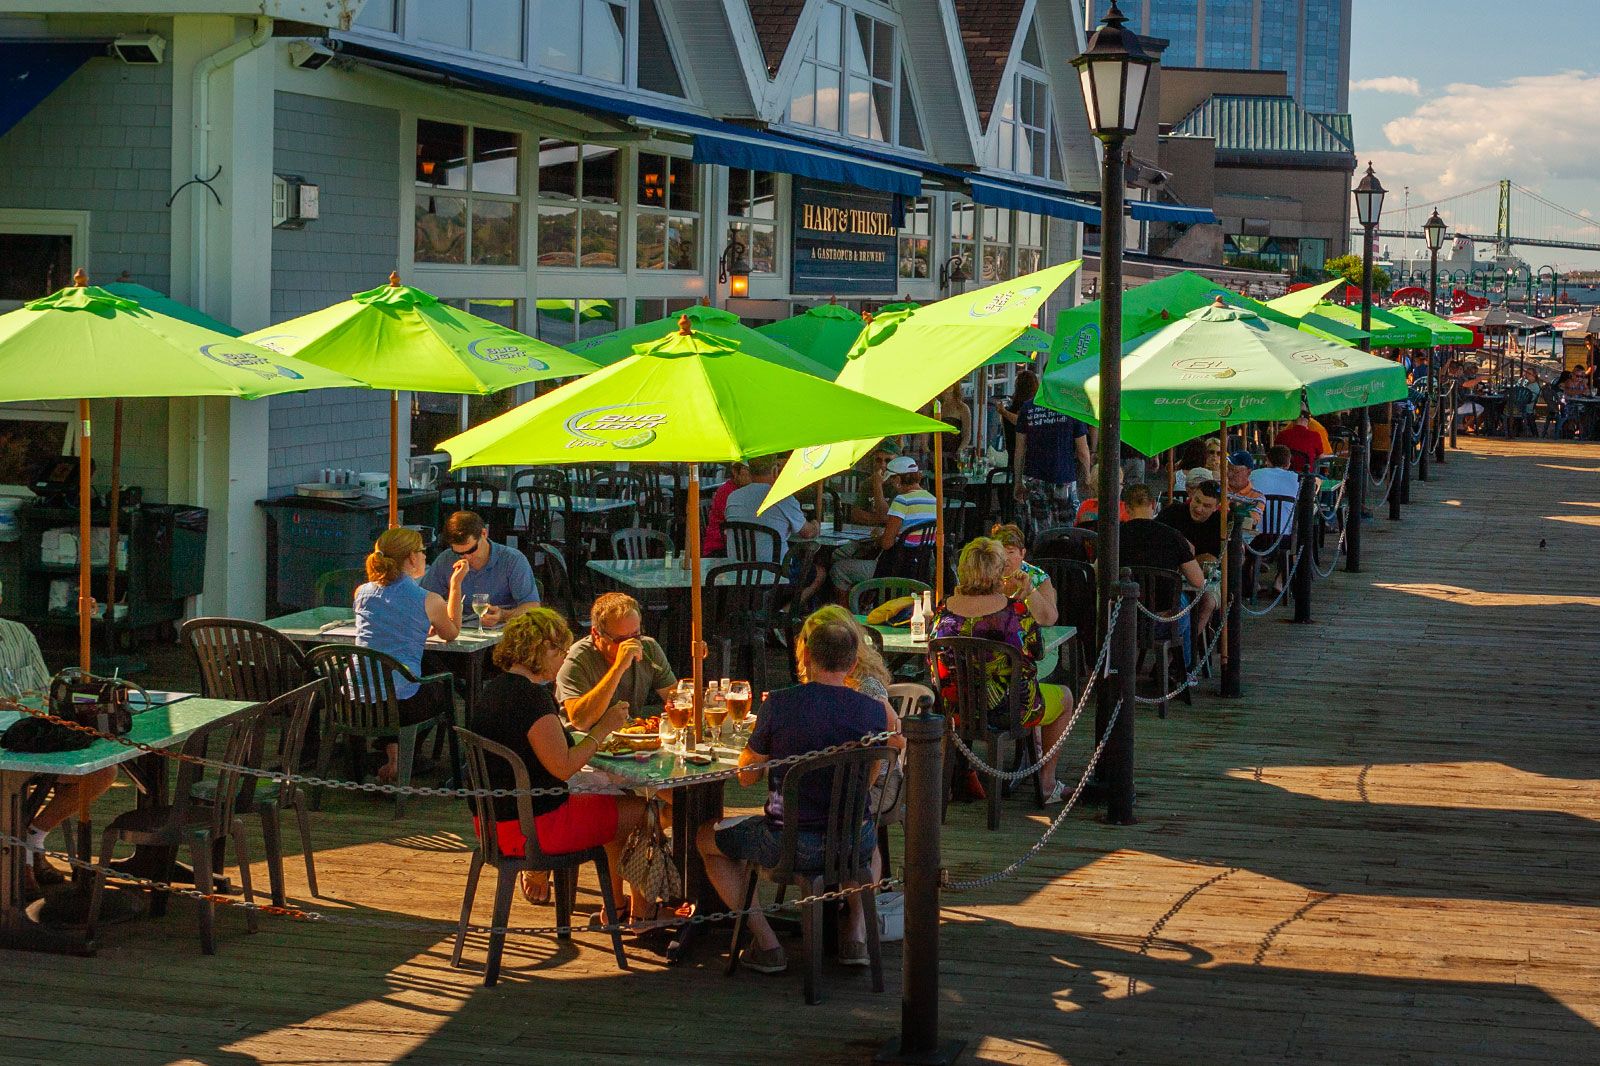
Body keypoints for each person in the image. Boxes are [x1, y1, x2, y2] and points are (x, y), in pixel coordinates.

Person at [697, 611, 902, 974]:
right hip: (854, 841)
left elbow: (746, 778)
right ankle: (854, 936)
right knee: (866, 841)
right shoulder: (873, 711)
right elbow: (874, 769)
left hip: (789, 844)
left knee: (705, 838)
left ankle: (767, 942)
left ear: (806, 656)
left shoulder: (779, 703)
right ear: (854, 662)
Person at [467, 609, 650, 919]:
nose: (564, 658)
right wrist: (602, 728)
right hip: (534, 829)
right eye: (560, 650)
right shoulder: (530, 700)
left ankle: (619, 907)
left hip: (490, 825)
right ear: (541, 649)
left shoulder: (492, 690)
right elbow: (564, 767)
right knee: (640, 812)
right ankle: (641, 914)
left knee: (614, 804)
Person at [931, 538, 1074, 803]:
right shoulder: (1015, 611)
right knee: (1065, 697)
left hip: (957, 707)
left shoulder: (943, 611)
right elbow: (1036, 651)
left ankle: (951, 781)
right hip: (1011, 709)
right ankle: (1046, 783)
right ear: (998, 571)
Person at [3, 581, 115, 897]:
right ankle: (22, 865)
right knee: (14, 787)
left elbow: (43, 688)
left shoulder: (18, 633)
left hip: (34, 733)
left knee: (101, 771)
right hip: (7, 746)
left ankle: (33, 836)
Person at [356, 527, 463, 784]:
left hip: (359, 701)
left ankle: (394, 758)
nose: (426, 557)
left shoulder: (361, 593)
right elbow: (451, 633)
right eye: (423, 552)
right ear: (412, 558)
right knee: (443, 683)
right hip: (402, 705)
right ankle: (411, 756)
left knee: (403, 676)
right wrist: (456, 586)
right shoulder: (428, 599)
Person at [556, 592, 675, 730]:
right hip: (583, 741)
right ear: (596, 634)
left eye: (636, 635)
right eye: (621, 640)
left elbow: (675, 698)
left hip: (627, 739)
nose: (631, 645)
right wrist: (618, 668)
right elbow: (580, 721)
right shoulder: (577, 659)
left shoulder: (649, 648)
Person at [1120, 482, 1212, 653]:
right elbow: (1198, 581)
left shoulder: (1115, 536)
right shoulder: (1172, 536)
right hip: (1163, 622)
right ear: (1154, 505)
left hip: (1121, 619)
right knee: (1183, 601)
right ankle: (1184, 670)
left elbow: (1097, 573)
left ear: (1126, 507)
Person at [831, 456, 937, 593]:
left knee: (839, 570)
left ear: (898, 480)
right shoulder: (934, 500)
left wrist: (879, 537)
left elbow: (887, 543)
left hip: (896, 568)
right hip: (921, 568)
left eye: (892, 479)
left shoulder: (902, 500)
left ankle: (849, 613)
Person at [421, 511, 539, 627]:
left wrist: (503, 615)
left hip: (503, 632)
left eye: (471, 550)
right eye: (458, 553)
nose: (466, 557)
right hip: (460, 629)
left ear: (484, 533)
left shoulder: (512, 559)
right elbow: (424, 599)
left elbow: (532, 606)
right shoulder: (446, 559)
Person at [722, 452, 819, 562]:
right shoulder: (781, 497)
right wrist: (816, 524)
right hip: (775, 572)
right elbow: (808, 533)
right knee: (820, 571)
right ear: (774, 470)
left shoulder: (733, 497)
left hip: (737, 570)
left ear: (749, 472)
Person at [1012, 392, 1091, 514]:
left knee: (1039, 528)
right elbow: (1082, 450)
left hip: (1035, 478)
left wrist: (1017, 481)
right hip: (1064, 477)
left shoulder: (1028, 407)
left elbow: (1020, 449)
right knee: (1066, 528)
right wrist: (1087, 476)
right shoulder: (1072, 407)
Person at [988, 523, 1059, 626]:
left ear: (1022, 553)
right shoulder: (986, 574)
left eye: (1010, 552)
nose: (1005, 558)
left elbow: (1048, 620)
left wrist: (1029, 588)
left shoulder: (1038, 577)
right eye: (999, 553)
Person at [1157, 478, 1222, 561]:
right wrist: (1179, 540)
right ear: (1192, 496)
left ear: (1216, 507)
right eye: (1197, 501)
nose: (1198, 509)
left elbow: (1213, 558)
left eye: (1206, 506)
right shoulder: (1172, 512)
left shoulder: (1220, 523)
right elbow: (1154, 535)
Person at [847, 441, 902, 527]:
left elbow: (886, 516)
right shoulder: (868, 483)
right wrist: (879, 519)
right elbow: (856, 514)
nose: (882, 465)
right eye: (878, 460)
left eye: (888, 461)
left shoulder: (901, 485)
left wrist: (877, 485)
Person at [703, 461, 751, 556]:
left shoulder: (746, 490)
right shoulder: (727, 492)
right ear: (734, 471)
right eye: (747, 470)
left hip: (736, 546)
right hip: (719, 548)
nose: (750, 474)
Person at [991, 368, 1039, 462]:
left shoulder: (1013, 408)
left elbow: (1021, 421)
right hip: (1031, 454)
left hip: (1014, 454)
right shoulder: (1035, 407)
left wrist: (1004, 412)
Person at [936, 382, 972, 468]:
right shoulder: (935, 406)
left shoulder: (962, 408)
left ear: (954, 387)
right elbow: (926, 432)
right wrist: (926, 449)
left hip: (954, 453)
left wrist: (960, 450)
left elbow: (966, 433)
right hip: (935, 453)